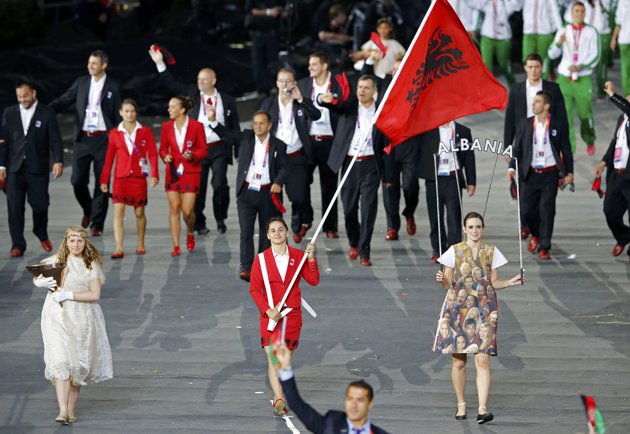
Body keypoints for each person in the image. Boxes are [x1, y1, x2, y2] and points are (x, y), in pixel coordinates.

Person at [435, 211, 522, 423]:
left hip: (486, 306)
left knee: (482, 359)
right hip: (456, 307)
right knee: (459, 362)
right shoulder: (453, 251)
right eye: (471, 227)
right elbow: (447, 282)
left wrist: (509, 283)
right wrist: (441, 280)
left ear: (483, 228)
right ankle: (461, 405)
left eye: (478, 227)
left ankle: (483, 409)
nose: (475, 230)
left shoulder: (491, 251)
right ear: (465, 229)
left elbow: (493, 282)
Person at [148, 47, 241, 235]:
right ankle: (199, 223)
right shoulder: (191, 93)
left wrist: (238, 150)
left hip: (219, 148)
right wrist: (160, 63)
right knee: (199, 186)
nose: (200, 82)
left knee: (220, 184)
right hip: (198, 149)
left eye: (204, 79)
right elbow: (171, 84)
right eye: (198, 79)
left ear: (213, 81)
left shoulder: (227, 100)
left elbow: (235, 126)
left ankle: (221, 217)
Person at [33, 225, 113, 424]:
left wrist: (69, 294)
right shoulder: (56, 261)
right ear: (66, 242)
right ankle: (62, 410)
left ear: (85, 243)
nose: (75, 244)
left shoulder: (90, 265)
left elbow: (95, 295)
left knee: (76, 365)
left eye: (79, 241)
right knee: (60, 362)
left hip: (81, 318)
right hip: (56, 316)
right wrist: (39, 283)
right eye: (72, 240)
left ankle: (69, 410)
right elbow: (37, 273)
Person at [249, 217, 319, 416]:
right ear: (268, 235)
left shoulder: (298, 256)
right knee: (273, 359)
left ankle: (280, 395)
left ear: (287, 233)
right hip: (270, 318)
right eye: (273, 230)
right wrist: (267, 309)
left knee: (283, 360)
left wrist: (311, 259)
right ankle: (279, 398)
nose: (277, 233)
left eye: (281, 229)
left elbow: (313, 281)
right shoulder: (261, 260)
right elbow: (254, 289)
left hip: (292, 316)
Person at [49, 50, 122, 236]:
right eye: (89, 63)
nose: (90, 66)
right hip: (83, 139)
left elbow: (118, 115)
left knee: (102, 182)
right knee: (77, 181)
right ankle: (89, 209)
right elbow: (64, 99)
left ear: (104, 65)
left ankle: (97, 224)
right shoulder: (82, 82)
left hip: (103, 140)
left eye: (94, 63)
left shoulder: (113, 85)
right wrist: (43, 110)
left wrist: (119, 141)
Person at [320, 74, 386, 266]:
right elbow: (335, 105)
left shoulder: (381, 111)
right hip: (349, 163)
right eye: (359, 87)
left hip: (371, 164)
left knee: (368, 209)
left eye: (366, 87)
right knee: (348, 209)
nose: (362, 91)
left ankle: (365, 251)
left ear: (375, 91)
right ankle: (354, 242)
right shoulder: (349, 108)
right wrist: (324, 100)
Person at [504, 53, 569, 240]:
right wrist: (508, 147)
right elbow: (510, 120)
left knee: (543, 199)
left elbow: (562, 118)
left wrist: (563, 150)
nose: (533, 70)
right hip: (523, 143)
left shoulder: (553, 89)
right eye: (530, 67)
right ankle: (526, 225)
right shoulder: (516, 90)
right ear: (525, 68)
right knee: (523, 190)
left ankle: (537, 233)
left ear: (542, 68)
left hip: (546, 143)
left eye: (537, 67)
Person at [508, 90, 574, 260]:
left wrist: (569, 172)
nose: (533, 104)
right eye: (534, 101)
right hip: (529, 174)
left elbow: (565, 149)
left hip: (550, 175)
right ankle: (535, 234)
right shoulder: (525, 123)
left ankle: (545, 246)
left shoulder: (558, 124)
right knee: (526, 211)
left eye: (537, 101)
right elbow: (517, 149)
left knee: (547, 211)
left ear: (546, 106)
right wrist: (511, 168)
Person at [0, 81, 63, 257]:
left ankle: (40, 231)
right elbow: (3, 142)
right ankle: (17, 244)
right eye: (19, 97)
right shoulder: (9, 113)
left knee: (41, 205)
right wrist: (1, 165)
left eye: (25, 96)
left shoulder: (47, 112)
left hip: (38, 167)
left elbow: (56, 140)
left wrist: (58, 161)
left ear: (34, 93)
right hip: (15, 168)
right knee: (14, 208)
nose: (22, 100)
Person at [260, 68, 322, 243]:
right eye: (282, 81)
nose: (285, 84)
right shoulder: (269, 103)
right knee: (274, 197)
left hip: (296, 157)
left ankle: (300, 216)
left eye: (288, 81)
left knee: (298, 196)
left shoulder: (300, 103)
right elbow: (260, 125)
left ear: (294, 83)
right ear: (277, 83)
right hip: (275, 158)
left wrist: (301, 98)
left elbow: (316, 115)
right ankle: (279, 234)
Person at [275, 341, 390, 433]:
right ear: (345, 400)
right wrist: (285, 369)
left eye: (360, 400)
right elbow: (297, 405)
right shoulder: (331, 424)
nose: (353, 405)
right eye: (350, 399)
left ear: (369, 404)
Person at [99, 99, 159, 258]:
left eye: (132, 111)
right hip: (121, 178)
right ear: (120, 113)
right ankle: (119, 247)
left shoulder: (145, 131)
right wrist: (104, 180)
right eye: (126, 111)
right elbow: (109, 158)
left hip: (138, 178)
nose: (130, 114)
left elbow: (152, 154)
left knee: (139, 212)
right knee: (118, 211)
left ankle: (140, 243)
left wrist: (154, 174)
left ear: (136, 112)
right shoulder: (114, 133)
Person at [236, 111, 288, 281]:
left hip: (267, 192)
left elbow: (284, 168)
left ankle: (263, 266)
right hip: (246, 192)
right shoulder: (245, 139)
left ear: (269, 125)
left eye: (261, 123)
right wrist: (213, 121)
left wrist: (278, 182)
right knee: (246, 231)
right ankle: (246, 266)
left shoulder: (279, 145)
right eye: (255, 123)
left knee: (268, 232)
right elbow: (227, 135)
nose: (258, 126)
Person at [297, 52, 342, 239]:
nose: (310, 68)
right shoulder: (303, 85)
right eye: (309, 64)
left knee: (329, 186)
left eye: (314, 64)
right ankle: (304, 220)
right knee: (301, 183)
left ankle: (330, 226)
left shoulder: (339, 83)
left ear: (324, 66)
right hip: (308, 141)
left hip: (331, 141)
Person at [418, 120, 476, 263]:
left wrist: (471, 181)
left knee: (453, 217)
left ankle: (454, 251)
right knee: (435, 217)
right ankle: (438, 249)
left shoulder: (463, 131)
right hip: (434, 179)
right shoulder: (427, 130)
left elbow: (469, 157)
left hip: (453, 178)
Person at [548, 1, 600, 155]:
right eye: (576, 11)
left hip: (582, 79)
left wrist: (581, 66)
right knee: (565, 117)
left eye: (582, 11)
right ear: (572, 13)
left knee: (585, 115)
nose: (579, 14)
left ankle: (589, 139)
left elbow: (596, 55)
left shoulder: (591, 31)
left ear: (585, 13)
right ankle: (568, 151)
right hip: (564, 79)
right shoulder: (564, 31)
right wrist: (559, 43)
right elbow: (551, 54)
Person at [158, 96, 207, 257]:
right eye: (169, 107)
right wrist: (165, 156)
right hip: (173, 172)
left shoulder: (196, 126)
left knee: (187, 212)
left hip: (191, 171)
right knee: (174, 208)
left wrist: (192, 156)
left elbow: (203, 149)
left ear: (182, 110)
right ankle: (176, 245)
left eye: (172, 107)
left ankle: (190, 231)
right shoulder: (166, 127)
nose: (169, 110)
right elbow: (163, 148)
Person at [594, 81, 630, 262]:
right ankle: (624, 237)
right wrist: (603, 162)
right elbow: (615, 142)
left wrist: (612, 94)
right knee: (610, 212)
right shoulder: (621, 119)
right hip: (617, 174)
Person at [563, 0, 613, 99]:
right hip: (585, 34)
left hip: (602, 34)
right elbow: (568, 17)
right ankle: (578, 92)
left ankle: (602, 92)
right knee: (582, 63)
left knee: (600, 67)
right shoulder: (582, 2)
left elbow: (609, 15)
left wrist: (599, 3)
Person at [465, 0, 522, 87]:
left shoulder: (505, 4)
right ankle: (488, 92)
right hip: (487, 37)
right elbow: (471, 3)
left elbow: (517, 5)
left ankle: (514, 87)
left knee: (505, 66)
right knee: (486, 67)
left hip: (503, 38)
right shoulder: (485, 3)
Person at [245, 0, 285, 96]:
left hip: (272, 33)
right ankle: (262, 89)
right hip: (257, 34)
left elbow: (282, 8)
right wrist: (268, 12)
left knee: (272, 61)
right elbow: (250, 10)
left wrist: (283, 12)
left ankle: (272, 87)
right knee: (258, 63)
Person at [520, 0, 561, 79]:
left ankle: (543, 87)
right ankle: (532, 84)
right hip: (529, 32)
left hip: (545, 32)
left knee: (543, 63)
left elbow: (555, 10)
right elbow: (516, 5)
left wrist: (560, 30)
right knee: (527, 59)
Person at [611, 0, 630, 96]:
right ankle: (628, 96)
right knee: (626, 71)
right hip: (625, 40)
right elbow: (618, 22)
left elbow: (618, 21)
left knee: (626, 71)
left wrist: (614, 38)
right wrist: (614, 38)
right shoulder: (622, 1)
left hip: (625, 39)